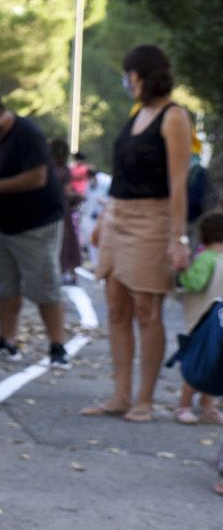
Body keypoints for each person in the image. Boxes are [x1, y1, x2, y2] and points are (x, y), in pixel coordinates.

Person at [82, 45, 195, 422]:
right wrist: (101, 220)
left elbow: (178, 183)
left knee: (148, 310)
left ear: (144, 75)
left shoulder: (174, 116)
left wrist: (177, 238)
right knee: (116, 307)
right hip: (117, 215)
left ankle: (145, 399)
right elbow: (123, 174)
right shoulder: (137, 114)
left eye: (130, 73)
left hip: (153, 218)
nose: (127, 80)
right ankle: (120, 395)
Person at [0, 91, 72, 368]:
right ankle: (6, 340)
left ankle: (57, 346)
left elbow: (38, 176)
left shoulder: (27, 134)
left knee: (45, 285)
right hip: (0, 222)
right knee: (4, 284)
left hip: (36, 222)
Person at [174, 210, 223, 425]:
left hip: (214, 322)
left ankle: (206, 405)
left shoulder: (211, 258)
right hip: (204, 321)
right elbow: (194, 283)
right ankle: (185, 404)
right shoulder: (207, 259)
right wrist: (185, 272)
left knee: (213, 365)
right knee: (200, 365)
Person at [50, 138, 83, 282]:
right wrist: (79, 196)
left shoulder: (46, 168)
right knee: (66, 239)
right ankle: (67, 270)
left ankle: (54, 270)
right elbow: (67, 192)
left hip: (47, 208)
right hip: (62, 209)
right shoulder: (64, 170)